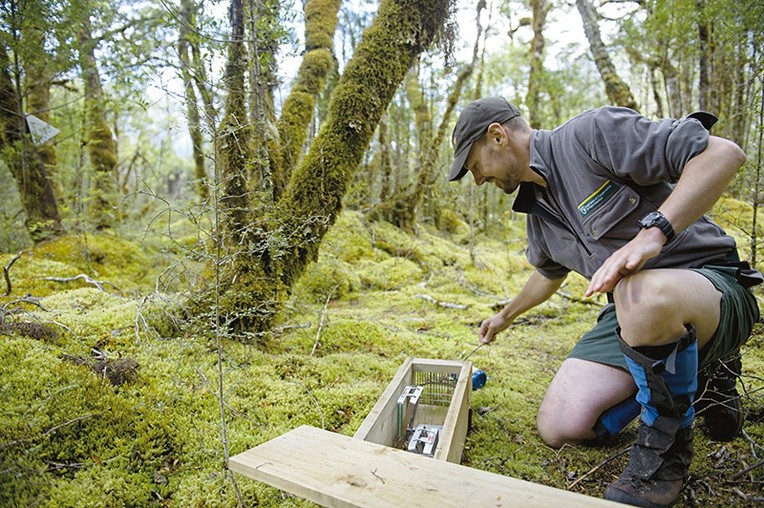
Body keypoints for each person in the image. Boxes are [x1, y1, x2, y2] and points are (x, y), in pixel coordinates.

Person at [448, 97, 761, 507]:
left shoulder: (591, 134)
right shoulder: (537, 213)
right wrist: (504, 316)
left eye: (474, 165)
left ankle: (666, 446)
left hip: (713, 286)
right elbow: (547, 274)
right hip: (637, 315)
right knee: (560, 425)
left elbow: (723, 154)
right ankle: (694, 373)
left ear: (496, 136)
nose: (477, 179)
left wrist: (653, 235)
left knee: (639, 292)